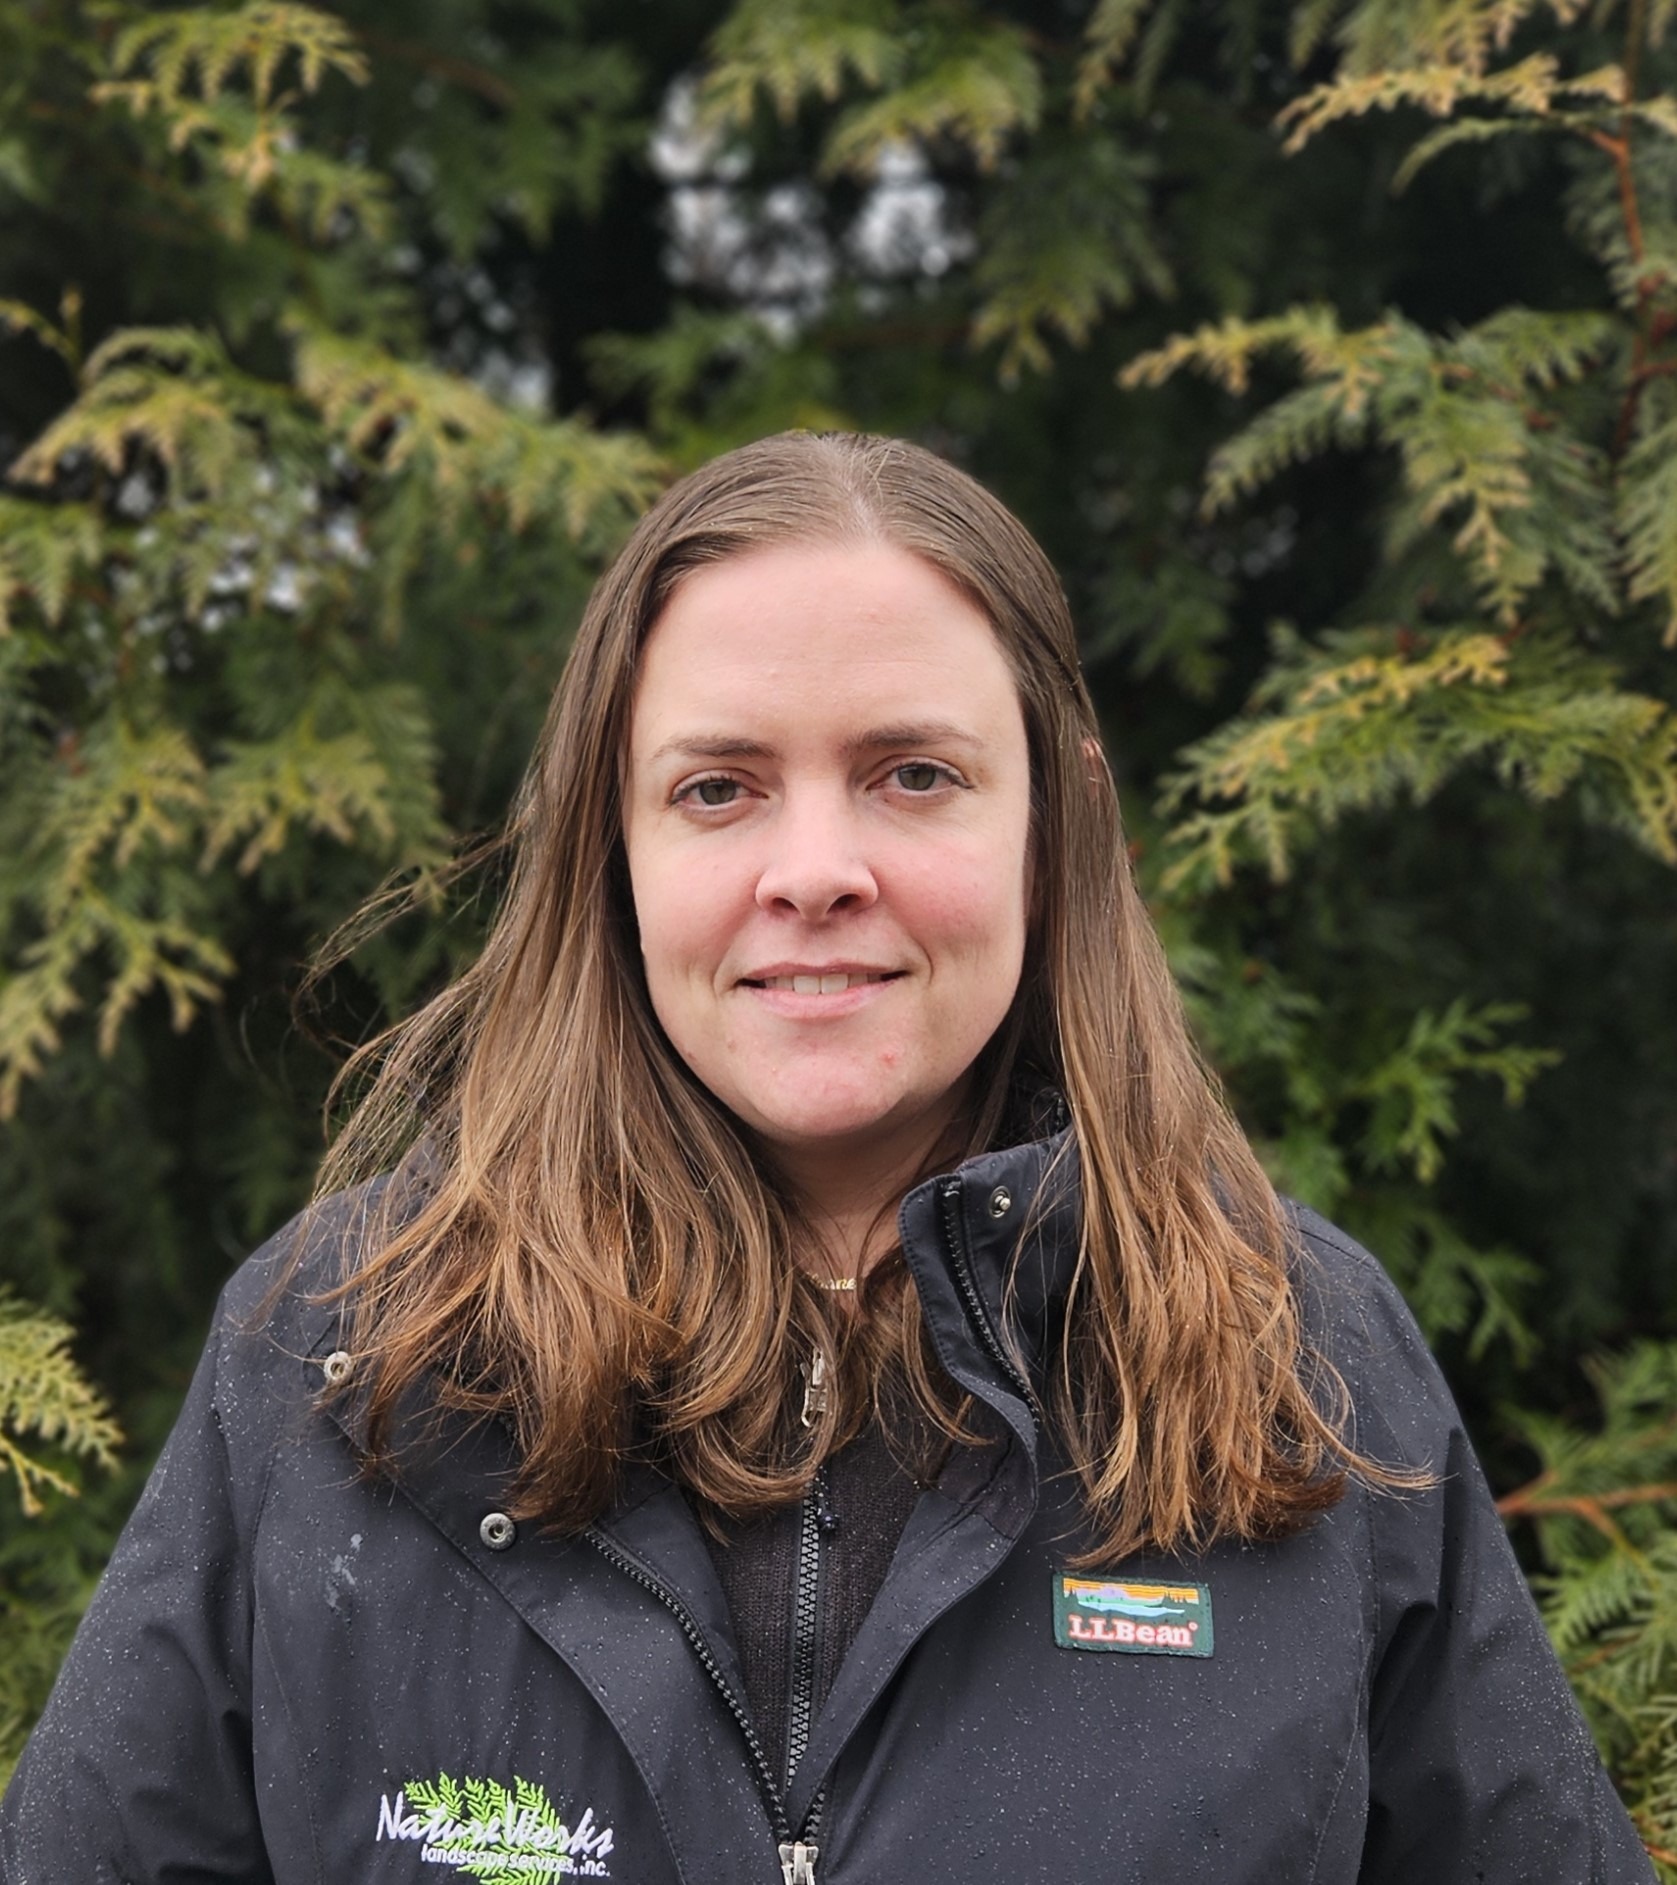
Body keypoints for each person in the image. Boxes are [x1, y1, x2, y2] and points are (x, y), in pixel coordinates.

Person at [0, 432, 1653, 1885]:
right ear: (612, 847)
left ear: (1053, 819)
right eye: (717, 788)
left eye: (911, 774)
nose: (815, 869)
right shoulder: (336, 1354)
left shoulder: (1305, 1359)